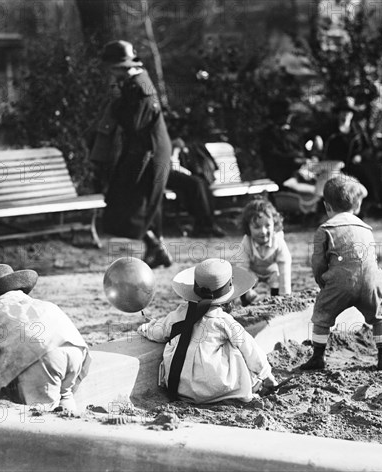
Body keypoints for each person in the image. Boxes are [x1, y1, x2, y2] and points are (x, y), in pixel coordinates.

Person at [137, 258, 277, 403]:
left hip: (180, 388)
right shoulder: (223, 320)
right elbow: (251, 349)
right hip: (216, 389)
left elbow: (158, 332)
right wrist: (267, 376)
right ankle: (246, 388)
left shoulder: (179, 314)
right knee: (236, 347)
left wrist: (146, 328)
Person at [0, 264, 91, 413]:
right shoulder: (37, 303)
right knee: (65, 394)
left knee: (41, 410)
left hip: (39, 358)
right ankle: (73, 421)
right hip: (76, 350)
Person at [87, 40, 173, 269]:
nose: (111, 72)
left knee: (134, 200)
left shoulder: (138, 87)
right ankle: (156, 247)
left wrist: (117, 104)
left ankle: (156, 246)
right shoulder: (133, 83)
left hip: (150, 152)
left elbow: (133, 123)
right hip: (144, 150)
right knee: (136, 199)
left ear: (120, 67)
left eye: (113, 68)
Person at [301, 175, 382, 371]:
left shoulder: (326, 229)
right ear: (357, 205)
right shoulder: (366, 228)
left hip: (341, 282)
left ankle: (318, 356)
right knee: (380, 316)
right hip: (371, 281)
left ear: (327, 206)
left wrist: (322, 282)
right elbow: (372, 259)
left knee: (322, 314)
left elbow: (318, 262)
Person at [319, 97, 382, 216]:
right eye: (343, 112)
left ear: (351, 114)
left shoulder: (357, 129)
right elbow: (322, 146)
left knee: (376, 171)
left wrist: (359, 155)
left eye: (348, 112)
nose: (345, 115)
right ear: (338, 113)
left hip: (356, 162)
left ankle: (378, 204)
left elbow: (367, 148)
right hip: (337, 164)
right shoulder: (330, 129)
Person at [236, 198, 292, 306]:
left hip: (271, 272)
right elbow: (242, 268)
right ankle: (248, 299)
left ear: (274, 223)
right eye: (257, 227)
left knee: (277, 277)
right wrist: (244, 291)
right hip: (254, 272)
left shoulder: (278, 242)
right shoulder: (246, 242)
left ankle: (274, 298)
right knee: (247, 284)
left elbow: (285, 264)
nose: (263, 231)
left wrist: (285, 294)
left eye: (267, 226)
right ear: (248, 227)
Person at [167, 138, 226, 238]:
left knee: (202, 184)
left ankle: (205, 224)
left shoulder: (179, 146)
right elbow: (172, 165)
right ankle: (207, 224)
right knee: (196, 183)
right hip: (165, 176)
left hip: (178, 175)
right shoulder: (168, 145)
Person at [259, 98, 307, 189]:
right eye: (284, 115)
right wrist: (293, 159)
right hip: (279, 173)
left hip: (299, 170)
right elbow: (272, 155)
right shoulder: (268, 134)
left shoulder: (293, 132)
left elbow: (301, 149)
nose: (287, 118)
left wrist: (305, 158)